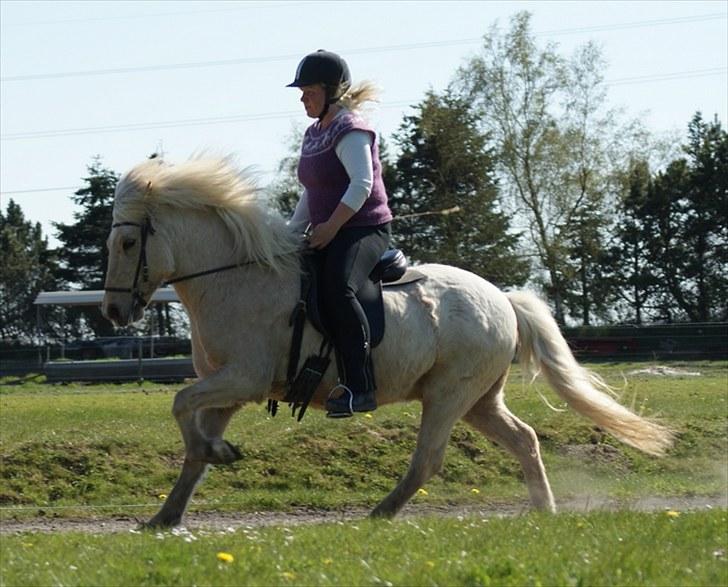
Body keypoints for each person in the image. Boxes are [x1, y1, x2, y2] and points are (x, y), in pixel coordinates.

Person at [287, 49, 393, 418]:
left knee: (336, 286)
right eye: (301, 92)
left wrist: (331, 227)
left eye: (309, 91)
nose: (303, 97)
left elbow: (362, 185)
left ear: (331, 92)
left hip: (364, 229)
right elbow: (311, 192)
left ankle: (360, 387)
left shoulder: (351, 129)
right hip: (329, 231)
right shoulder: (313, 134)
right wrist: (288, 236)